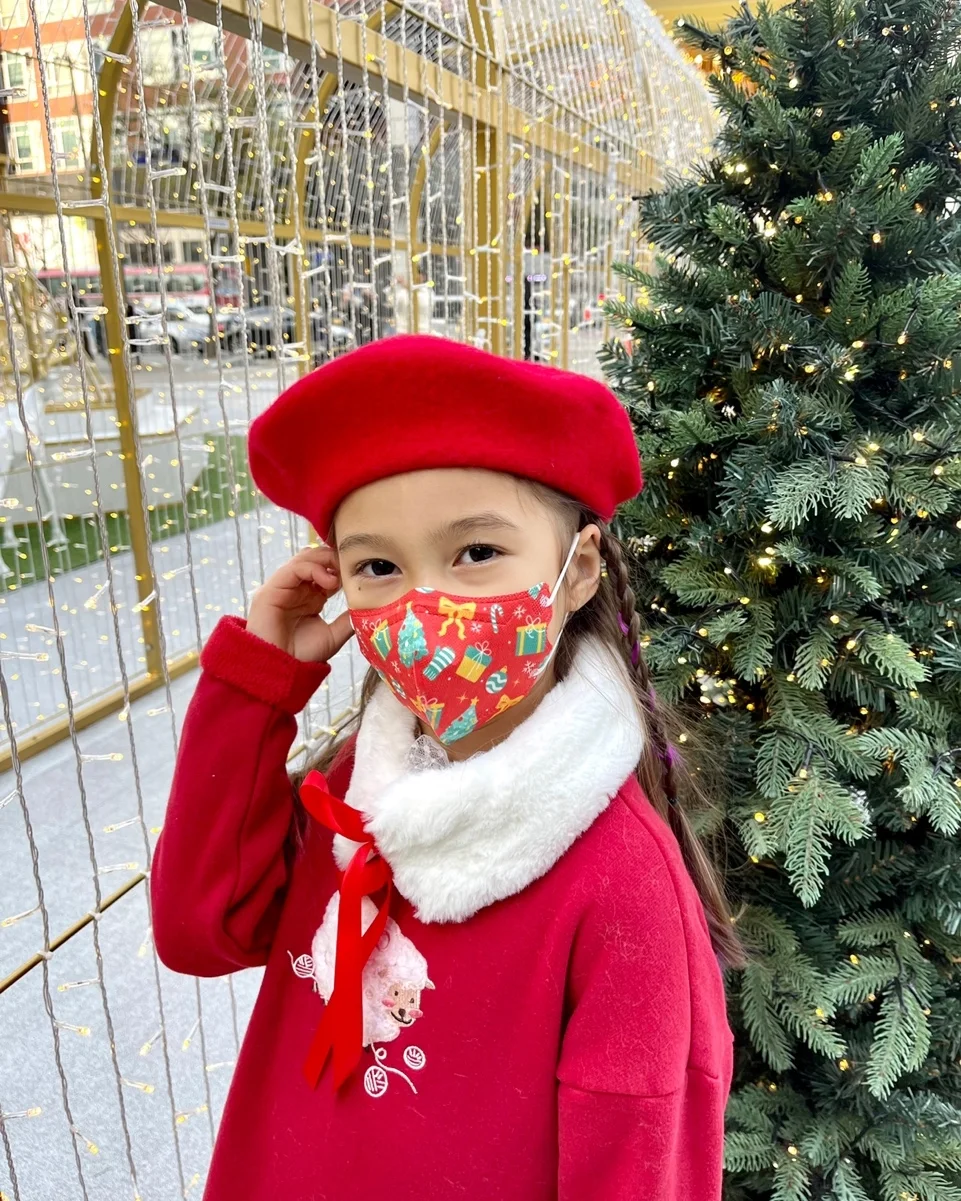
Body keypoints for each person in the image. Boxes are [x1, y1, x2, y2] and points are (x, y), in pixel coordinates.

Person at [151, 334, 743, 1200]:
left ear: (577, 569)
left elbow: (638, 1172)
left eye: (476, 552)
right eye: (378, 565)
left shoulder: (624, 889)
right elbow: (200, 930)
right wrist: (257, 684)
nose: (426, 605)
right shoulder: (351, 791)